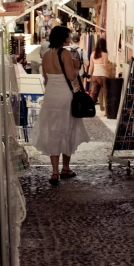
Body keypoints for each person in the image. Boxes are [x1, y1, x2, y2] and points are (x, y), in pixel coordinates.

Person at [31, 26, 89, 185]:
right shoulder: (64, 53)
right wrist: (76, 66)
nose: (70, 39)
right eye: (68, 36)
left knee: (53, 131)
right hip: (64, 96)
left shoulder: (46, 55)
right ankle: (66, 168)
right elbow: (71, 76)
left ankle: (54, 171)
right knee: (67, 129)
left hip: (50, 97)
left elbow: (46, 79)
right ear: (62, 38)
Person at [88, 37, 108, 113]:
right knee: (105, 94)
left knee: (93, 94)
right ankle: (106, 111)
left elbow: (91, 66)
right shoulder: (105, 54)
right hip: (103, 76)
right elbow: (106, 67)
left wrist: (89, 76)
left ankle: (90, 109)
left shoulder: (93, 54)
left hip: (95, 75)